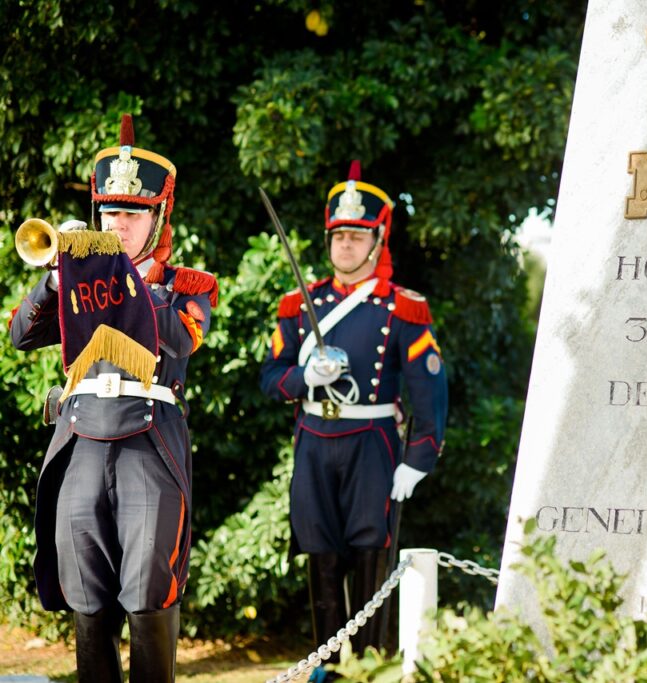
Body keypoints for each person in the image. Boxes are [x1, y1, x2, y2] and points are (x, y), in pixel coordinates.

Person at [8, 114, 217, 682]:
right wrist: (55, 281)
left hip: (149, 444)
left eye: (131, 213)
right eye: (109, 212)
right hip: (80, 441)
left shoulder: (186, 286)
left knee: (149, 593)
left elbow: (179, 339)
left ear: (158, 218)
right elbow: (19, 335)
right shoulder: (77, 284)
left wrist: (125, 278)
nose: (117, 223)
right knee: (86, 595)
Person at [259, 161, 447, 677]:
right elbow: (269, 376)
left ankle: (367, 669)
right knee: (320, 558)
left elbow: (429, 388)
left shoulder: (401, 308)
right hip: (314, 440)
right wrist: (303, 380)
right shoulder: (300, 305)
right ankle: (326, 668)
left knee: (370, 559)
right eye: (338, 235)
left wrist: (419, 458)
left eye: (357, 235)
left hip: (373, 443)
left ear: (377, 238)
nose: (345, 245)